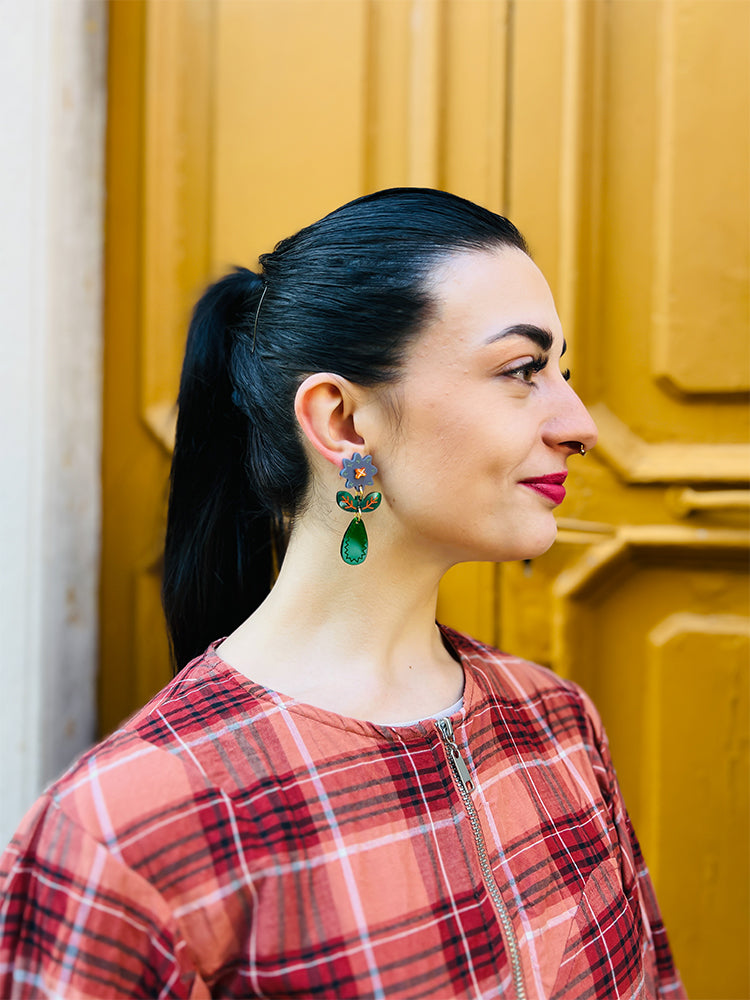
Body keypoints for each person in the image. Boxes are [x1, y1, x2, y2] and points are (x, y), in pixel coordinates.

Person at [0, 188, 685, 999]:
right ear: (344, 424)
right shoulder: (125, 832)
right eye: (522, 371)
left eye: (560, 372)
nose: (580, 424)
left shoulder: (558, 724)